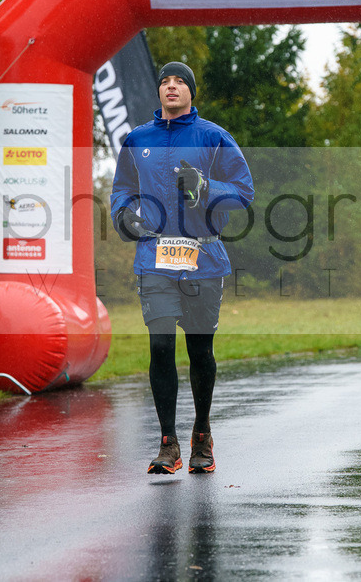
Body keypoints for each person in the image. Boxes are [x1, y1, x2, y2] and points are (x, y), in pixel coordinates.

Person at [110, 61, 254, 474]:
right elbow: (122, 189)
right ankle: (168, 443)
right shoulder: (138, 139)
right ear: (158, 93)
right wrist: (125, 217)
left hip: (203, 257)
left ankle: (202, 434)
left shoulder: (213, 136)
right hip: (154, 258)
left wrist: (206, 187)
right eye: (165, 82)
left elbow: (244, 192)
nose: (171, 87)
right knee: (159, 347)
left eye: (180, 82)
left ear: (191, 92)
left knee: (199, 350)